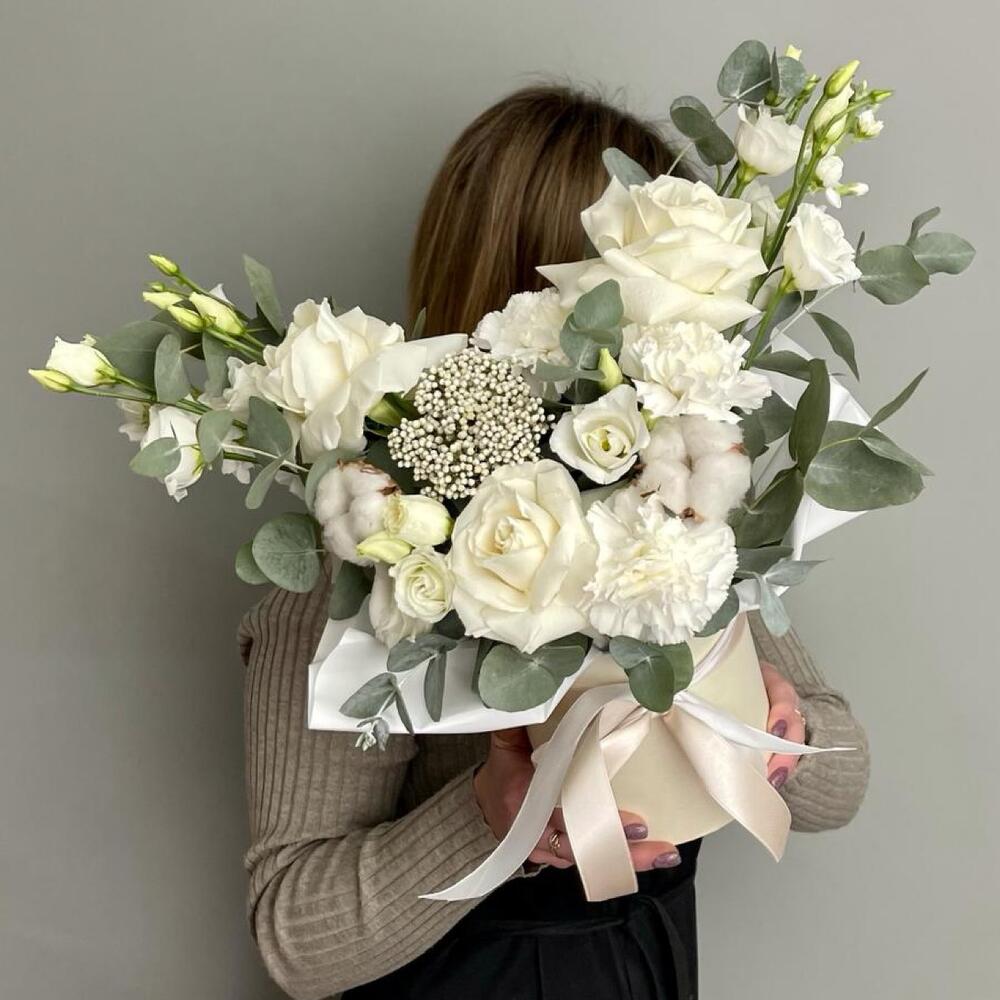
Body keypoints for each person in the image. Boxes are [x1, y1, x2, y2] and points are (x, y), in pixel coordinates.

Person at [239, 85, 870, 1000]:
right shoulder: (373, 548)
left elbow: (840, 788)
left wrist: (776, 733)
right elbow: (297, 941)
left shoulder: (681, 513)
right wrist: (491, 818)